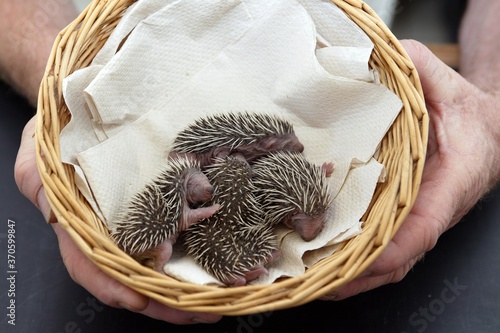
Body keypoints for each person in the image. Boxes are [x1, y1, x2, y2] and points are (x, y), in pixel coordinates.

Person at [2, 0, 499, 324]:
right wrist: (74, 93)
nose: (309, 234)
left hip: (346, 48)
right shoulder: (218, 174)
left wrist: (492, 108)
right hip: (95, 41)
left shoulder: (256, 175)